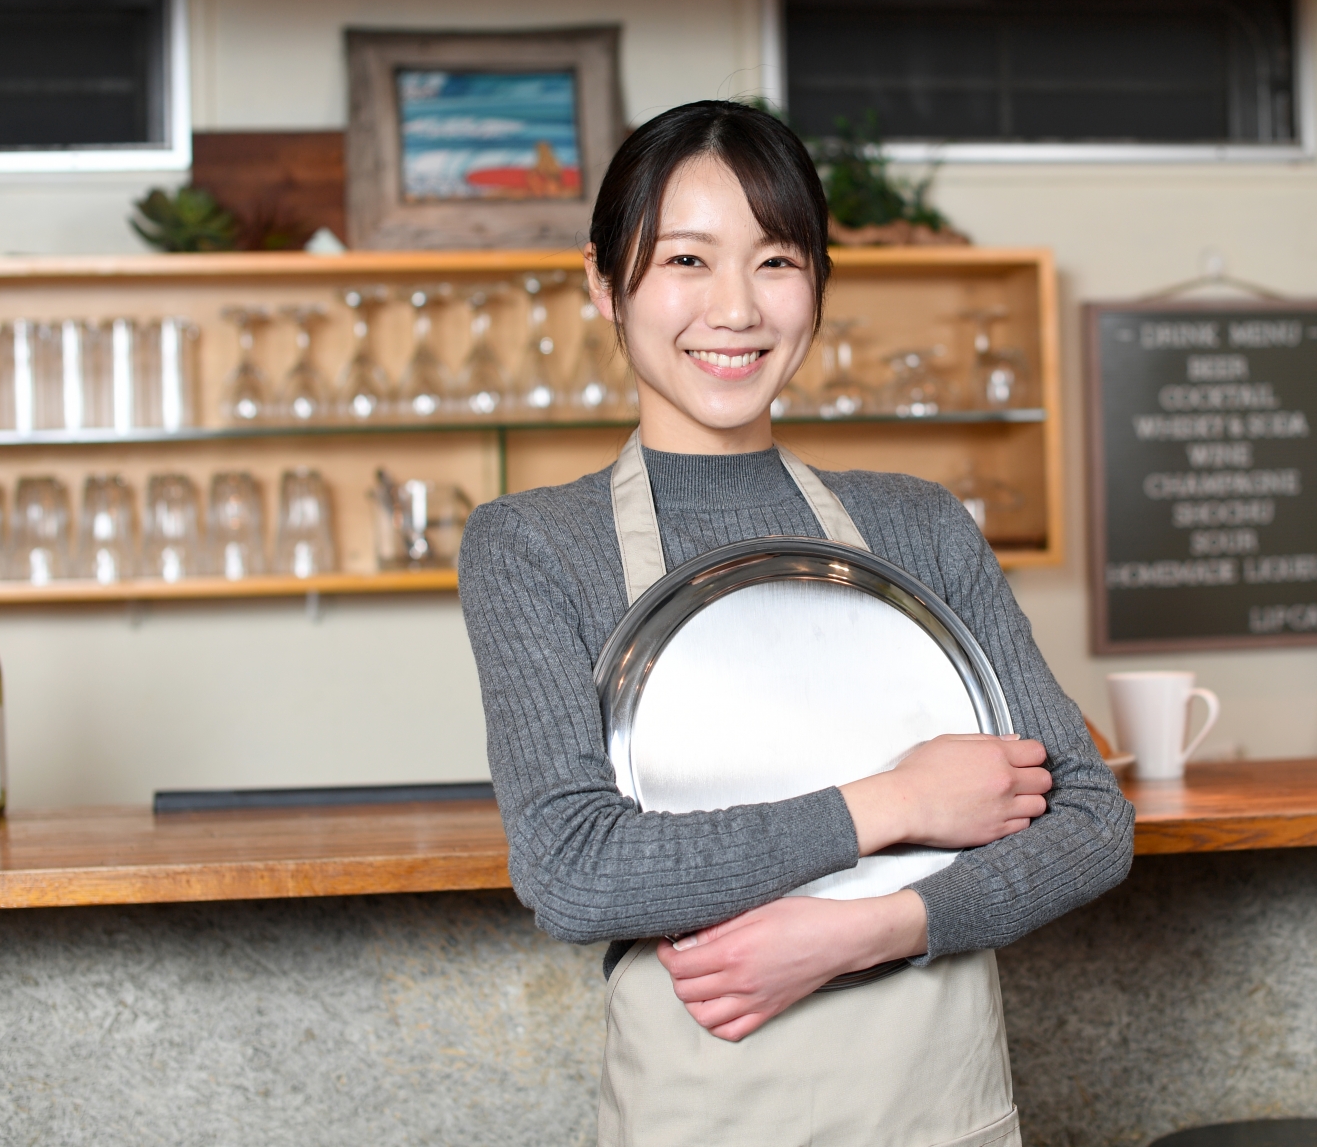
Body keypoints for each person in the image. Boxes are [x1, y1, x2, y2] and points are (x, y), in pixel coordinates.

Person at [457, 100, 1133, 1147]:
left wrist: (860, 932)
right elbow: (573, 868)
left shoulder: (921, 521)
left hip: (938, 1113)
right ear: (605, 283)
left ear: (818, 284)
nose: (735, 309)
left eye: (776, 262)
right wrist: (898, 798)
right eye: (687, 258)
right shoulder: (534, 542)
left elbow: (1090, 821)